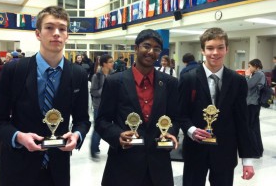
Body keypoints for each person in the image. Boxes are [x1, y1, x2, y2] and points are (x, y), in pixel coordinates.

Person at [0, 6, 91, 186]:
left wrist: (77, 135)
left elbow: (83, 120)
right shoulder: (15, 70)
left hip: (57, 170)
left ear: (67, 35)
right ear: (38, 33)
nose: (56, 33)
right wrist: (18, 137)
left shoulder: (78, 74)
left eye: (62, 29)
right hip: (18, 168)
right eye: (49, 27)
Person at [95, 29, 179, 186]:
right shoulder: (115, 82)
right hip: (123, 165)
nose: (151, 52)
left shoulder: (170, 83)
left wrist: (171, 133)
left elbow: (175, 117)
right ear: (136, 48)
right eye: (146, 46)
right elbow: (102, 120)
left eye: (156, 49)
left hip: (158, 167)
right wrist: (118, 135)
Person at [177, 27, 259, 186]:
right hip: (195, 150)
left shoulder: (237, 81)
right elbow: (180, 114)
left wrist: (247, 160)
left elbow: (242, 121)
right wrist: (191, 130)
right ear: (202, 50)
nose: (215, 52)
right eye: (210, 48)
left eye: (220, 47)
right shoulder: (188, 79)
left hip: (225, 151)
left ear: (227, 49)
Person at [90, 54, 114, 159]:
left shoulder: (114, 75)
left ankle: (112, 149)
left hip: (112, 106)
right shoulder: (97, 76)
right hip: (99, 106)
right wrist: (104, 90)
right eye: (110, 62)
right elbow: (93, 92)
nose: (113, 64)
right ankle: (93, 148)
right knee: (98, 127)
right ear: (104, 64)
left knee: (111, 128)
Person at [245, 59, 265, 157]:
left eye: (250, 66)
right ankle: (258, 150)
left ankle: (255, 151)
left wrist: (247, 76)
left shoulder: (258, 74)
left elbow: (248, 85)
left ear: (255, 66)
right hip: (254, 103)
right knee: (254, 127)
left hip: (252, 104)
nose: (249, 68)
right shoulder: (259, 74)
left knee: (251, 128)